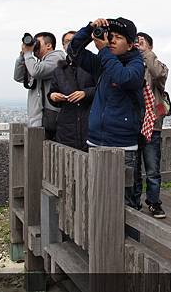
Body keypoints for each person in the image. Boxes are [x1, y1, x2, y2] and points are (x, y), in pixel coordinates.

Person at [68, 18, 144, 209]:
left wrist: (102, 51)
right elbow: (73, 50)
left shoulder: (136, 65)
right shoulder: (103, 61)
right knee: (95, 197)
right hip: (95, 141)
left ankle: (127, 238)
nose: (111, 41)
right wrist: (89, 28)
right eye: (110, 36)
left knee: (124, 203)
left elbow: (123, 78)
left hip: (123, 146)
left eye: (118, 38)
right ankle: (98, 238)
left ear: (130, 44)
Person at [133, 31, 169, 218]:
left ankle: (154, 202)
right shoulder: (130, 65)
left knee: (152, 168)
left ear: (151, 46)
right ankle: (134, 201)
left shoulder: (158, 65)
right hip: (132, 123)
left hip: (152, 124)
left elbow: (159, 74)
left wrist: (147, 54)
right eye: (135, 42)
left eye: (142, 42)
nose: (138, 45)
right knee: (134, 167)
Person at [47, 31, 96, 150]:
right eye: (67, 42)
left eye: (74, 40)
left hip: (90, 122)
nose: (70, 44)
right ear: (63, 46)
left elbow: (103, 88)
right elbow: (52, 92)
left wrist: (85, 93)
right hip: (67, 125)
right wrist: (53, 96)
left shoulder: (93, 64)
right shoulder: (59, 70)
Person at [13, 32, 65, 135]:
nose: (34, 45)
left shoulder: (57, 58)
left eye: (37, 43)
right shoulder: (37, 63)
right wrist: (23, 56)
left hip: (50, 120)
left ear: (49, 45)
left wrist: (28, 54)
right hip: (38, 120)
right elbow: (18, 77)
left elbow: (36, 72)